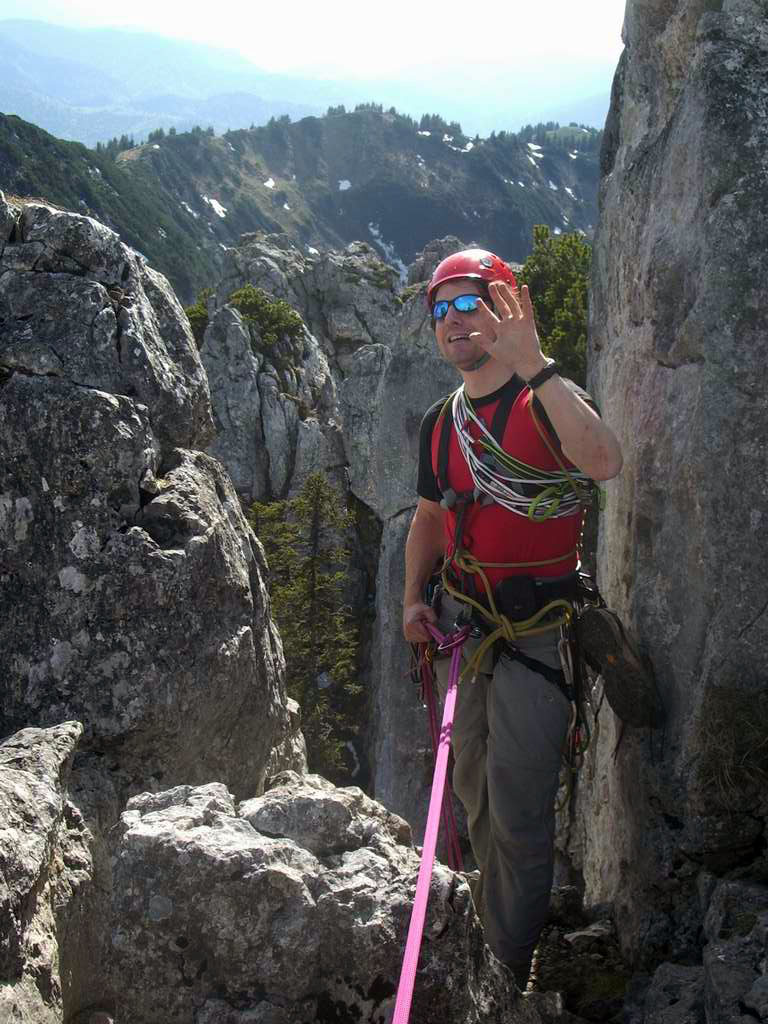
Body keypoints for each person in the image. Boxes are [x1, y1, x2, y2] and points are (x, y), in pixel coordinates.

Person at [402, 248, 622, 988]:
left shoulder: (545, 400)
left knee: (519, 806)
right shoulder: (442, 424)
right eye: (442, 310)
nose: (455, 322)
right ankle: (501, 927)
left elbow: (603, 461)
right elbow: (431, 518)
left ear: (501, 307)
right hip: (463, 625)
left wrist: (537, 367)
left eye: (469, 304)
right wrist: (412, 599)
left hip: (535, 632)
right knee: (472, 791)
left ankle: (505, 970)